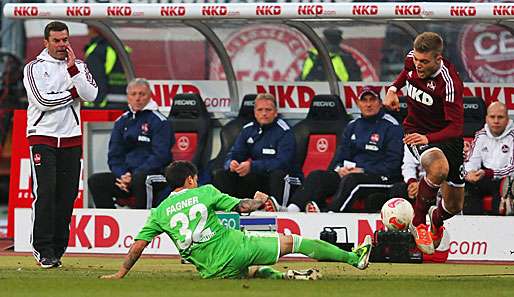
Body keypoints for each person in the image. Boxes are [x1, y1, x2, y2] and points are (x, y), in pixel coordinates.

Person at [100, 161, 373, 280]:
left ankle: (288, 277)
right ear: (191, 180)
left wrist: (121, 273)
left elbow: (137, 246)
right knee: (294, 241)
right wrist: (258, 199)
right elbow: (243, 208)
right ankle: (354, 259)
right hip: (236, 248)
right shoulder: (204, 192)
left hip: (211, 270)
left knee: (252, 271)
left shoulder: (159, 212)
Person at [23, 21, 98, 268]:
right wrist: (72, 93)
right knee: (45, 193)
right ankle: (43, 249)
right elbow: (43, 100)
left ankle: (57, 250)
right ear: (46, 42)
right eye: (56, 40)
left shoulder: (79, 66)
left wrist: (74, 72)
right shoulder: (33, 68)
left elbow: (91, 95)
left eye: (65, 40)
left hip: (71, 138)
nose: (62, 45)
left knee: (66, 197)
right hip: (42, 136)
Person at [384, 32, 464, 255]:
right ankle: (418, 223)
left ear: (438, 59)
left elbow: (456, 129)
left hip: (446, 138)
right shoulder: (412, 59)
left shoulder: (449, 84)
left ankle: (436, 219)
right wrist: (393, 89)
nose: (418, 65)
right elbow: (406, 72)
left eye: (424, 62)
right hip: (415, 132)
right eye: (417, 60)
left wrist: (428, 138)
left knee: (455, 206)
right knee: (438, 169)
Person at [285, 86, 403, 213]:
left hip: (382, 177)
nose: (368, 104)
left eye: (372, 100)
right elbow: (340, 156)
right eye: (364, 100)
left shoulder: (392, 127)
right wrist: (340, 169)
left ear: (380, 103)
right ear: (358, 103)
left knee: (352, 180)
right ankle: (291, 212)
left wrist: (363, 170)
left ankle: (331, 215)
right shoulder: (352, 126)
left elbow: (393, 165)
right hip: (352, 174)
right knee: (317, 176)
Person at [88, 78, 174, 209]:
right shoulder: (121, 122)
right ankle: (113, 222)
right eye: (133, 94)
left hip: (157, 175)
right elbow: (114, 156)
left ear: (150, 96)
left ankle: (144, 224)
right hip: (127, 177)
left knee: (141, 180)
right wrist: (122, 175)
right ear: (128, 97)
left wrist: (134, 176)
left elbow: (161, 156)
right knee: (96, 181)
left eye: (142, 94)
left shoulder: (160, 121)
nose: (137, 98)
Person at [212, 93, 300, 208]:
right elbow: (234, 153)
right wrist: (232, 163)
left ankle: (278, 209)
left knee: (278, 174)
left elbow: (283, 163)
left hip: (284, 178)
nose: (264, 113)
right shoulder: (248, 129)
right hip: (257, 177)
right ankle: (228, 208)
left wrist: (252, 166)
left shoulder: (284, 131)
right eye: (260, 110)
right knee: (222, 175)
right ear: (255, 112)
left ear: (275, 112)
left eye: (268, 110)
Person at [464, 102, 514, 215]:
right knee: (469, 186)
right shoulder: (480, 135)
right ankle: (471, 226)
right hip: (484, 176)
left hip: (505, 179)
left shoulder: (512, 137)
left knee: (506, 188)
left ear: (507, 119)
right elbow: (471, 160)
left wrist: (489, 173)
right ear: (486, 118)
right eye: (492, 117)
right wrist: (470, 173)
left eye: (500, 117)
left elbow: (512, 168)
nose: (496, 121)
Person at [83, 25, 129, 108]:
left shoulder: (97, 50)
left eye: (89, 27)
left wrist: (96, 102)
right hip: (123, 99)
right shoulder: (119, 47)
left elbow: (96, 77)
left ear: (94, 29)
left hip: (106, 104)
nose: (87, 31)